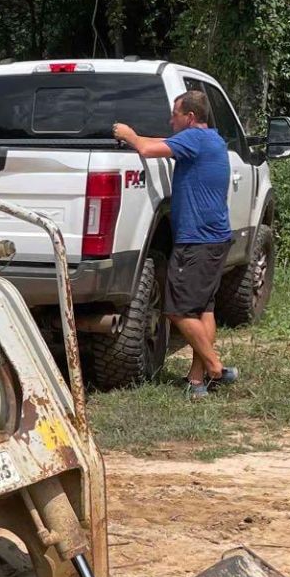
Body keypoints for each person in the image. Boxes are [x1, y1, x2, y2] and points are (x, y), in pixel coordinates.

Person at [113, 91, 240, 397]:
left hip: (197, 241)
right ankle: (197, 383)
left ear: (190, 118)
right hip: (214, 239)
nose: (171, 120)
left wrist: (127, 133)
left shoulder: (193, 140)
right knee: (202, 310)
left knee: (177, 310)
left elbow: (145, 148)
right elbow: (159, 140)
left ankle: (216, 370)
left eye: (175, 114)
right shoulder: (210, 139)